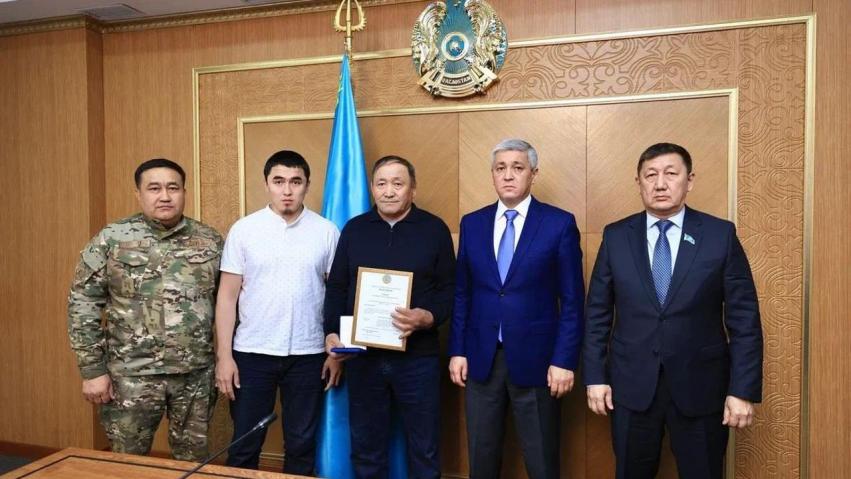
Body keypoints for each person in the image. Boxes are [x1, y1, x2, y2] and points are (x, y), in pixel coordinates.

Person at [583, 142, 763, 479]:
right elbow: (596, 314)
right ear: (639, 182)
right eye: (650, 175)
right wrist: (594, 377)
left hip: (701, 387)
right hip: (631, 387)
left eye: (670, 173)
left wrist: (742, 390)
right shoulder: (617, 236)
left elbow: (744, 320)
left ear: (689, 180)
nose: (660, 184)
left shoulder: (719, 235)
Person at [67, 158, 223, 460]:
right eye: (154, 188)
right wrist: (92, 370)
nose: (164, 196)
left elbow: (231, 303)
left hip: (194, 376)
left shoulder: (210, 241)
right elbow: (82, 304)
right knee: (128, 463)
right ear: (138, 194)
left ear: (184, 192)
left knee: (193, 464)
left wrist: (227, 359)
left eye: (173, 188)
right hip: (130, 376)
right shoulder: (111, 239)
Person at [448, 139, 585, 479]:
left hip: (539, 362)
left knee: (541, 462)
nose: (508, 175)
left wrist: (564, 360)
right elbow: (463, 294)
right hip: (481, 359)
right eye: (500, 168)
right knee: (482, 460)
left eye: (517, 167)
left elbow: (572, 301)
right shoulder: (472, 223)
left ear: (533, 174)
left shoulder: (558, 223)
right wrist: (457, 350)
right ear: (493, 174)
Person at [324, 155, 456, 479]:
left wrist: (428, 317)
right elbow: (337, 286)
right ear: (372, 188)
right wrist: (331, 333)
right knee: (367, 449)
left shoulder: (434, 229)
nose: (389, 191)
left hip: (418, 360)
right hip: (363, 359)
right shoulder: (354, 229)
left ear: (413, 189)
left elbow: (450, 290)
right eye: (381, 183)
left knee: (424, 448)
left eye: (398, 183)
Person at [214, 150, 342, 474]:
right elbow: (227, 298)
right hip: (252, 354)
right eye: (279, 181)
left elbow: (338, 295)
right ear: (267, 184)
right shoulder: (244, 230)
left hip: (309, 355)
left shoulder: (327, 231)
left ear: (307, 185)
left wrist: (335, 353)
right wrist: (224, 357)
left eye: (296, 182)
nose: (287, 190)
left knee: (301, 445)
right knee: (245, 444)